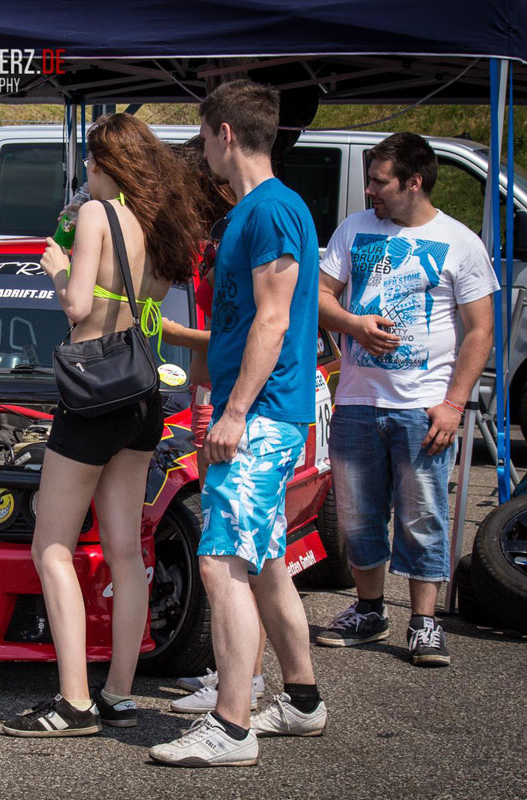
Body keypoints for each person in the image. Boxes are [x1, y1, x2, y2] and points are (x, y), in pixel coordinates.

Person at [1, 113, 202, 737]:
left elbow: (79, 305)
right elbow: (146, 310)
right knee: (124, 550)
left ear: (109, 165)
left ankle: (72, 702)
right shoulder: (162, 227)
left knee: (51, 546)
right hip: (142, 395)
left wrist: (55, 263)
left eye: (89, 163)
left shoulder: (96, 215)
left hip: (91, 396)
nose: (85, 175)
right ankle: (117, 692)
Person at [148, 80, 325, 768]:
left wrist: (235, 411)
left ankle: (232, 726)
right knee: (267, 562)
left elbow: (275, 320)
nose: (204, 154)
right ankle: (303, 703)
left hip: (262, 416)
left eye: (204, 137)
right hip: (264, 410)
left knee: (222, 563)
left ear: (224, 133)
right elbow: (246, 324)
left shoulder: (271, 211)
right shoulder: (263, 211)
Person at [314, 132, 497, 667]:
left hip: (423, 406)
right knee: (357, 518)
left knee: (423, 516)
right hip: (357, 402)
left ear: (413, 182)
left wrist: (454, 403)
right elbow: (319, 297)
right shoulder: (354, 229)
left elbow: (480, 330)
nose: (368, 190)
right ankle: (370, 610)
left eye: (379, 181)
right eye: (370, 180)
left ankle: (424, 623)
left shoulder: (461, 241)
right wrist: (354, 325)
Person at [160, 138, 270, 716]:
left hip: (230, 402)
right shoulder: (216, 235)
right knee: (237, 552)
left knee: (229, 554)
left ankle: (243, 690)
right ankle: (240, 677)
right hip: (208, 394)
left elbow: (251, 328)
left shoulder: (243, 226)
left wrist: (174, 336)